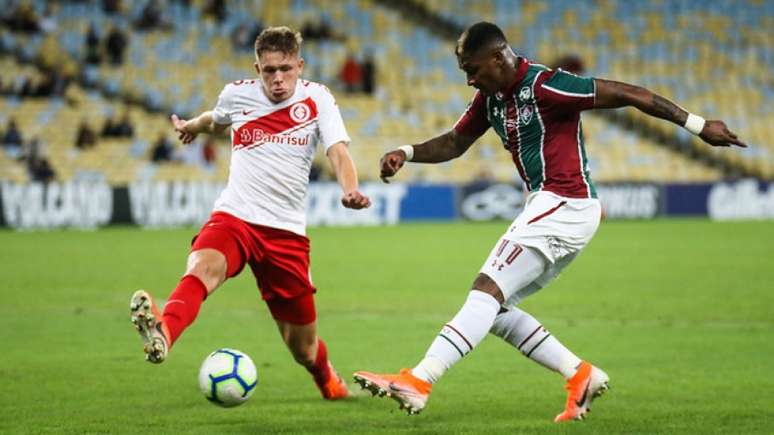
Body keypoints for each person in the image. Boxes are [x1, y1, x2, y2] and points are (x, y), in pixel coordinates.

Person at [353, 22, 745, 421]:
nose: (470, 80)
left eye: (473, 69)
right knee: (493, 310)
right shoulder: (491, 98)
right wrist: (406, 151)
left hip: (564, 201)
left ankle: (419, 381)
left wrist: (697, 125)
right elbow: (455, 142)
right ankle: (580, 375)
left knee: (485, 292)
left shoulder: (546, 86)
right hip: (555, 208)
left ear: (498, 57)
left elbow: (629, 94)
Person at [130, 26, 371, 401]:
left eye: (286, 69)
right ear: (256, 67)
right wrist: (191, 126)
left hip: (285, 234)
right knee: (202, 267)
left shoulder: (318, 98)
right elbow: (215, 119)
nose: (277, 78)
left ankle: (326, 377)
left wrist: (350, 189)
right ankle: (164, 332)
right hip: (235, 216)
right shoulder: (237, 94)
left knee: (302, 348)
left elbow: (338, 151)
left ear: (300, 66)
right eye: (269, 70)